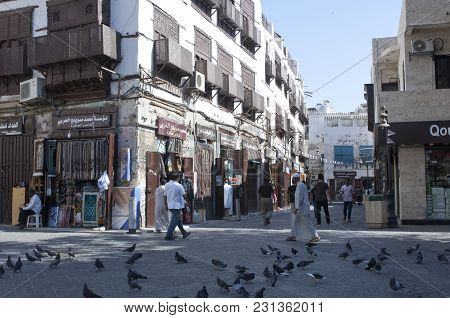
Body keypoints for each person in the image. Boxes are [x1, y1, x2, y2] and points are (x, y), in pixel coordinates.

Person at [164, 173, 191, 241]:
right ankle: (168, 235)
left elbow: (165, 196)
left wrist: (166, 205)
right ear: (177, 178)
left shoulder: (167, 185)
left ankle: (184, 233)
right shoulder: (179, 185)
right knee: (174, 221)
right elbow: (184, 195)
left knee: (178, 220)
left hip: (170, 205)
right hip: (176, 206)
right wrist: (188, 202)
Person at [294, 173, 320, 243]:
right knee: (296, 221)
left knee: (308, 222)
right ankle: (294, 235)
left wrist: (297, 207)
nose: (293, 180)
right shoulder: (301, 185)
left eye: (293, 179)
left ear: (295, 179)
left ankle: (315, 236)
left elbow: (299, 197)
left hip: (303, 208)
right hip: (303, 207)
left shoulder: (300, 186)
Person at [286, 173, 300, 241]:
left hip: (294, 205)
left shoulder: (290, 188)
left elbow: (288, 196)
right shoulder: (299, 187)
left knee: (294, 220)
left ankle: (293, 236)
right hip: (298, 205)